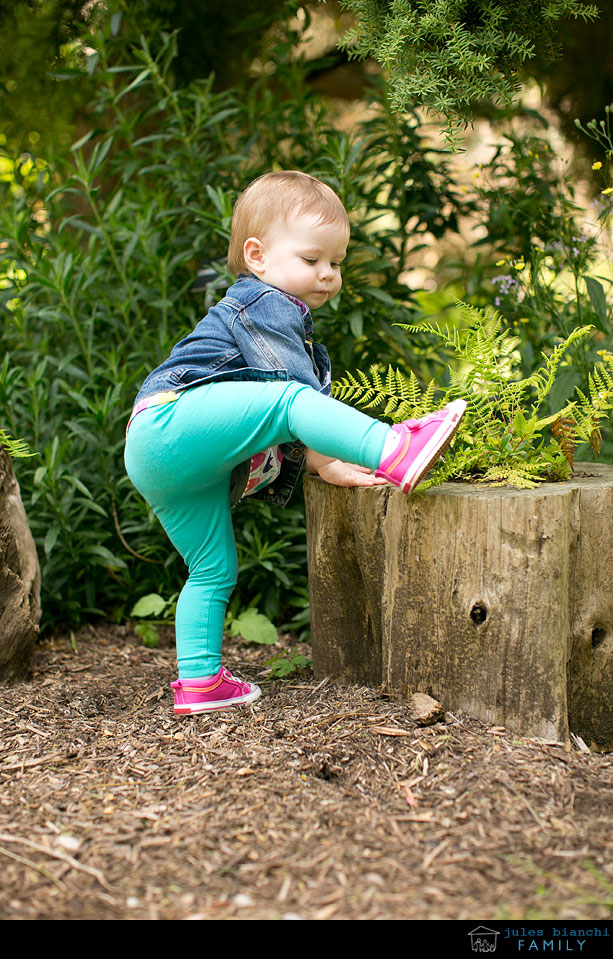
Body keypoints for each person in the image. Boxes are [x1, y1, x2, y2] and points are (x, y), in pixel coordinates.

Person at [124, 171, 465, 715]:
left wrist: (319, 463)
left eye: (336, 262)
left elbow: (273, 422)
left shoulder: (273, 307)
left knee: (212, 569)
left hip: (157, 456)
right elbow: (291, 400)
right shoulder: (263, 303)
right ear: (256, 256)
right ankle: (396, 449)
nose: (327, 275)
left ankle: (200, 682)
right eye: (312, 260)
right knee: (288, 400)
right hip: (170, 422)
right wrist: (346, 452)